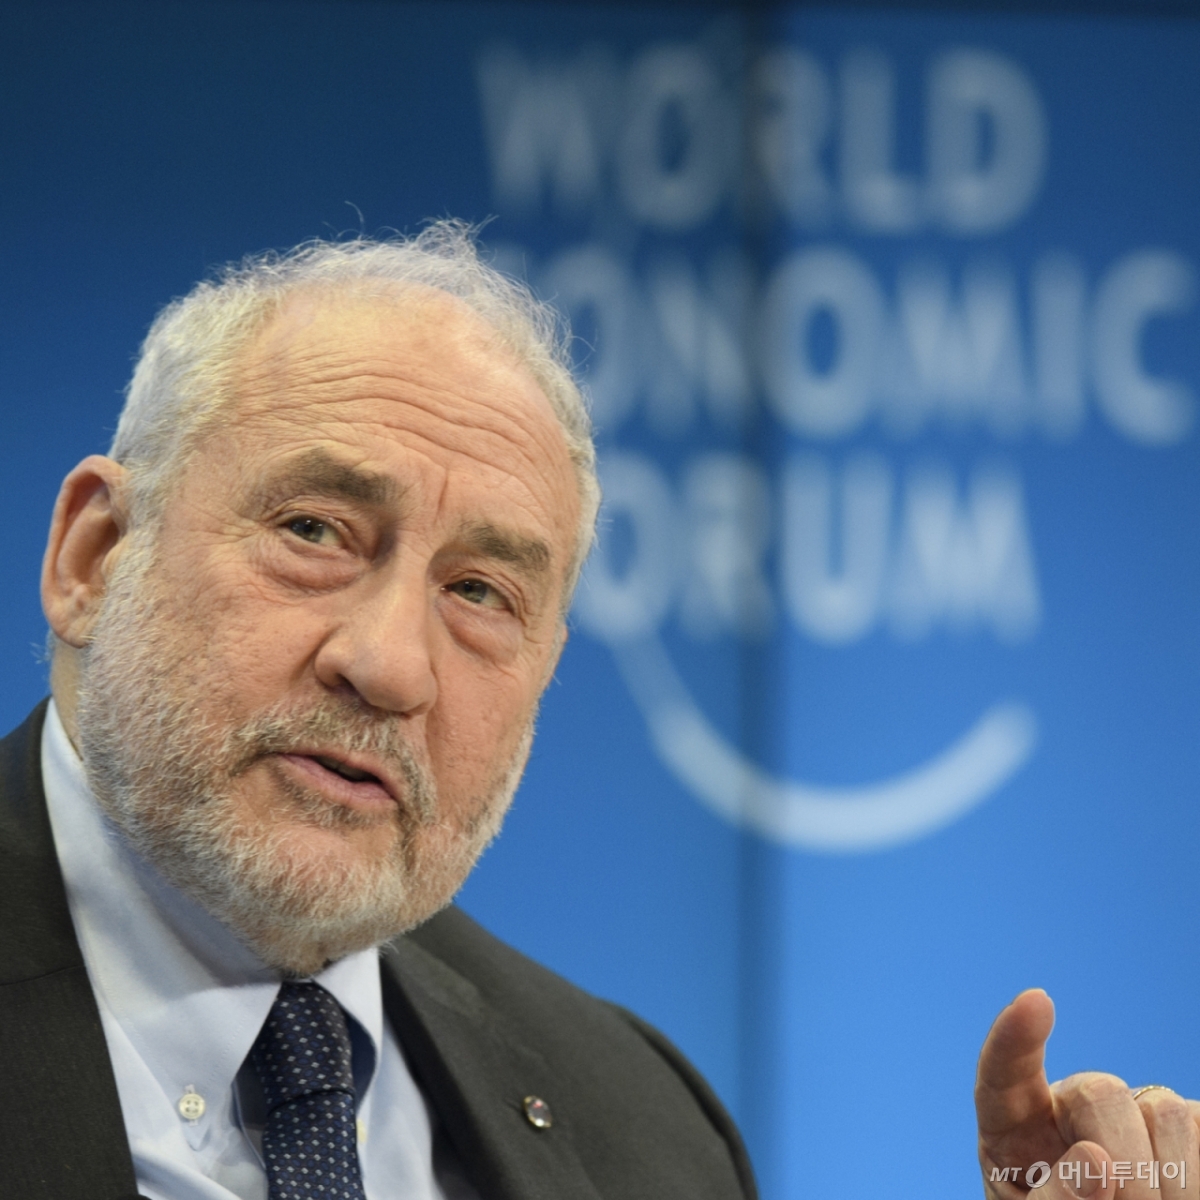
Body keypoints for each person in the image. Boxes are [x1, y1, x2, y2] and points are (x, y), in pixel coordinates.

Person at [0, 219, 1185, 1200]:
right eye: (315, 531)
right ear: (93, 556)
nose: (391, 667)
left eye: (480, 593)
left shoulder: (645, 1127)